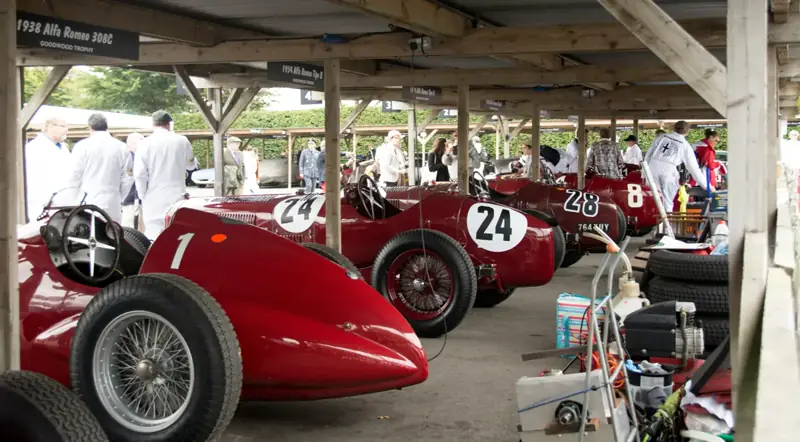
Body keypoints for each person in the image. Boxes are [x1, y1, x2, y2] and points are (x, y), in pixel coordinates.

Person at [133, 110, 195, 240]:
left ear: (153, 124)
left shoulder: (145, 143)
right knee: (177, 235)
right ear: (169, 124)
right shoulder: (182, 141)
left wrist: (142, 195)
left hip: (153, 196)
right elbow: (191, 165)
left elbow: (139, 174)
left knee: (153, 236)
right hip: (177, 195)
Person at [65, 113, 128, 223]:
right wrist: (119, 196)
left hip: (88, 198)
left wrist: (74, 199)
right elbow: (127, 178)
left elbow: (74, 175)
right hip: (112, 199)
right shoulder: (121, 147)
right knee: (113, 234)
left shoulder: (82, 146)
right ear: (107, 126)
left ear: (90, 127)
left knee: (89, 234)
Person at [645, 120, 709, 213]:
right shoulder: (685, 145)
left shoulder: (661, 137)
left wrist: (644, 172)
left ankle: (653, 224)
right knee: (667, 200)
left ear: (674, 128)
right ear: (687, 132)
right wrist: (707, 187)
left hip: (652, 167)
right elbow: (694, 169)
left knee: (653, 197)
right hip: (669, 170)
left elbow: (648, 155)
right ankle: (666, 225)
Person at [24, 117, 72, 222]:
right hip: (42, 201)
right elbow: (32, 176)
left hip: (62, 201)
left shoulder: (63, 148)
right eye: (63, 126)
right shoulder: (34, 147)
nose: (66, 130)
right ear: (50, 127)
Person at [121, 133, 144, 230]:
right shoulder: (129, 156)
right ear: (133, 144)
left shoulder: (137, 156)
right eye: (141, 141)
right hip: (130, 197)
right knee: (128, 224)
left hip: (135, 197)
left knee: (138, 223)